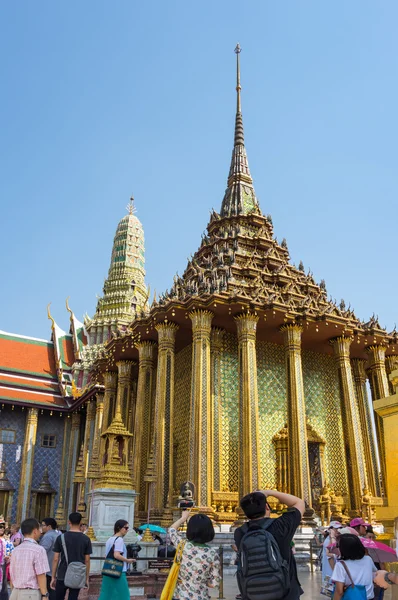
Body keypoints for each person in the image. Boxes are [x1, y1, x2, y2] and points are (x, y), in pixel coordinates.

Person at [234, 489, 305, 600]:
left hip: (253, 592)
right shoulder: (281, 525)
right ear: (267, 507)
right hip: (286, 592)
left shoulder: (239, 533)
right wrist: (270, 492)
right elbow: (299, 502)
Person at [167, 510, 220, 599]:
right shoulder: (212, 553)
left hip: (181, 596)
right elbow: (215, 583)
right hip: (201, 596)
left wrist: (183, 518)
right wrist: (203, 582)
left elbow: (171, 530)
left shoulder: (182, 545)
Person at [51, 512, 91, 600]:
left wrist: (53, 576)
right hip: (78, 573)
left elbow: (56, 559)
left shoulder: (61, 537)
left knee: (59, 597)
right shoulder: (86, 539)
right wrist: (86, 578)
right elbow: (87, 560)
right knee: (73, 597)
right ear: (81, 522)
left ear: (69, 522)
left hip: (62, 573)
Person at [9, 518, 49, 600]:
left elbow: (12, 573)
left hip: (15, 592)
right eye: (39, 529)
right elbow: (41, 575)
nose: (40, 532)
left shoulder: (16, 550)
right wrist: (44, 595)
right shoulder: (39, 550)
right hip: (30, 594)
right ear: (35, 531)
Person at [98, 519, 136, 600]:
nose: (127, 530)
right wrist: (128, 560)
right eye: (126, 528)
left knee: (106, 594)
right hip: (119, 570)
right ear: (119, 528)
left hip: (108, 570)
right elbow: (116, 555)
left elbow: (106, 555)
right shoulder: (119, 540)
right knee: (124, 595)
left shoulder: (110, 539)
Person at [331, 533, 377, 600]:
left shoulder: (340, 565)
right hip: (369, 597)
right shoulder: (368, 559)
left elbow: (339, 592)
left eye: (338, 546)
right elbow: (375, 574)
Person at [39, 519, 59, 600]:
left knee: (48, 591)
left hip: (48, 567)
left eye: (43, 525)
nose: (42, 527)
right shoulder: (58, 535)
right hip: (55, 568)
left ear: (49, 526)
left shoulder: (48, 536)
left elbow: (42, 551)